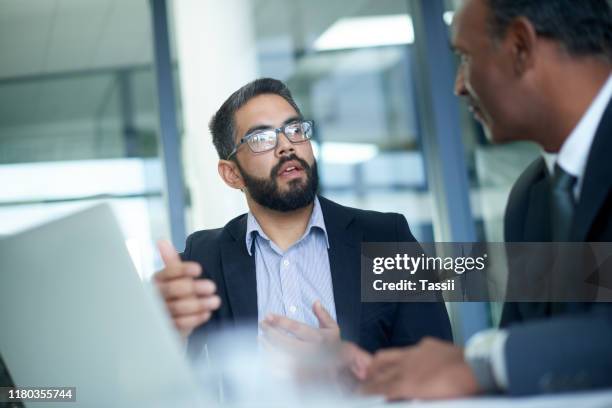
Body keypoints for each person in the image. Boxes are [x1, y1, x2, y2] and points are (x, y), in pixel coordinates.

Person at [361, 0, 612, 399]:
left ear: (519, 46)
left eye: (464, 57)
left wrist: (482, 362)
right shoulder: (532, 199)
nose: (459, 85)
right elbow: (532, 349)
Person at [153, 78, 452, 361]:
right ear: (232, 174)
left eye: (294, 130)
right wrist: (165, 330)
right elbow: (166, 377)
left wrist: (352, 368)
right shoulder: (204, 258)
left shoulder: (387, 237)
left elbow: (437, 367)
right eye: (261, 138)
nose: (287, 146)